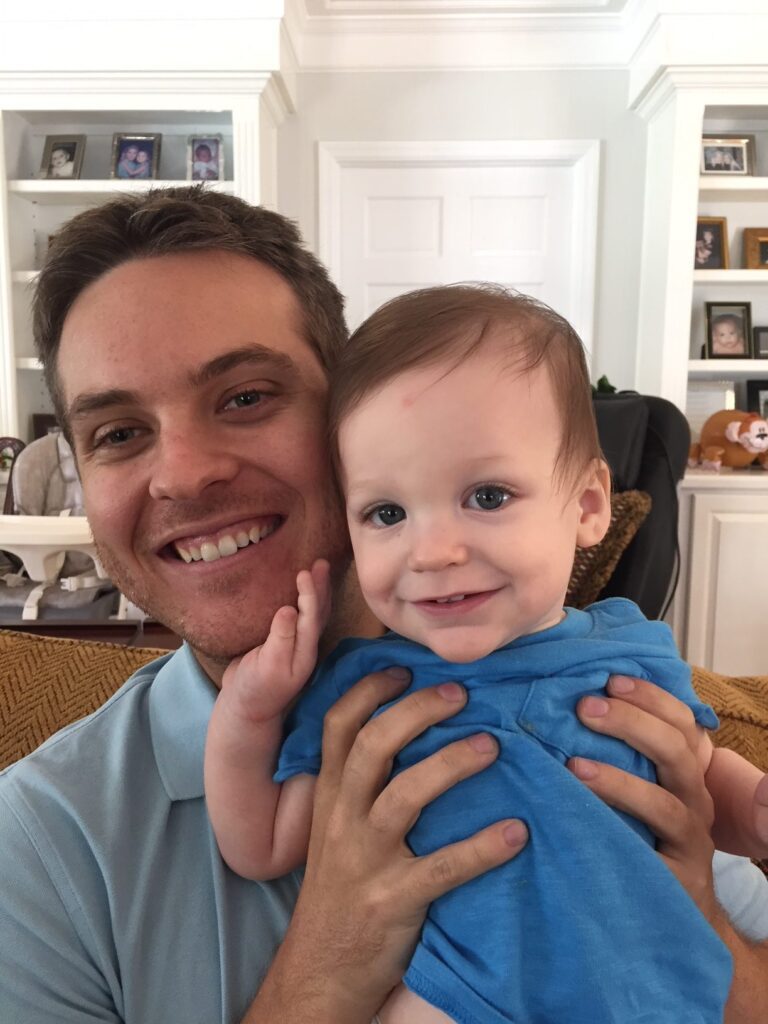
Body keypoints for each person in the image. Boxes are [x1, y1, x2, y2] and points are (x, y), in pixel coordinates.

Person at [0, 187, 766, 1024]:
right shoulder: (38, 842)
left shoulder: (611, 683)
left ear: (347, 424)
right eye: (117, 433)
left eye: (246, 396)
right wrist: (322, 974)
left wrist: (699, 923)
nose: (184, 474)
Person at [205, 284, 767, 1023]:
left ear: (588, 506)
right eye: (387, 513)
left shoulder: (631, 653)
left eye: (488, 496)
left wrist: (751, 805)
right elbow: (261, 846)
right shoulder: (367, 691)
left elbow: (696, 774)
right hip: (458, 997)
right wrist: (247, 712)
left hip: (641, 986)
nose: (432, 552)